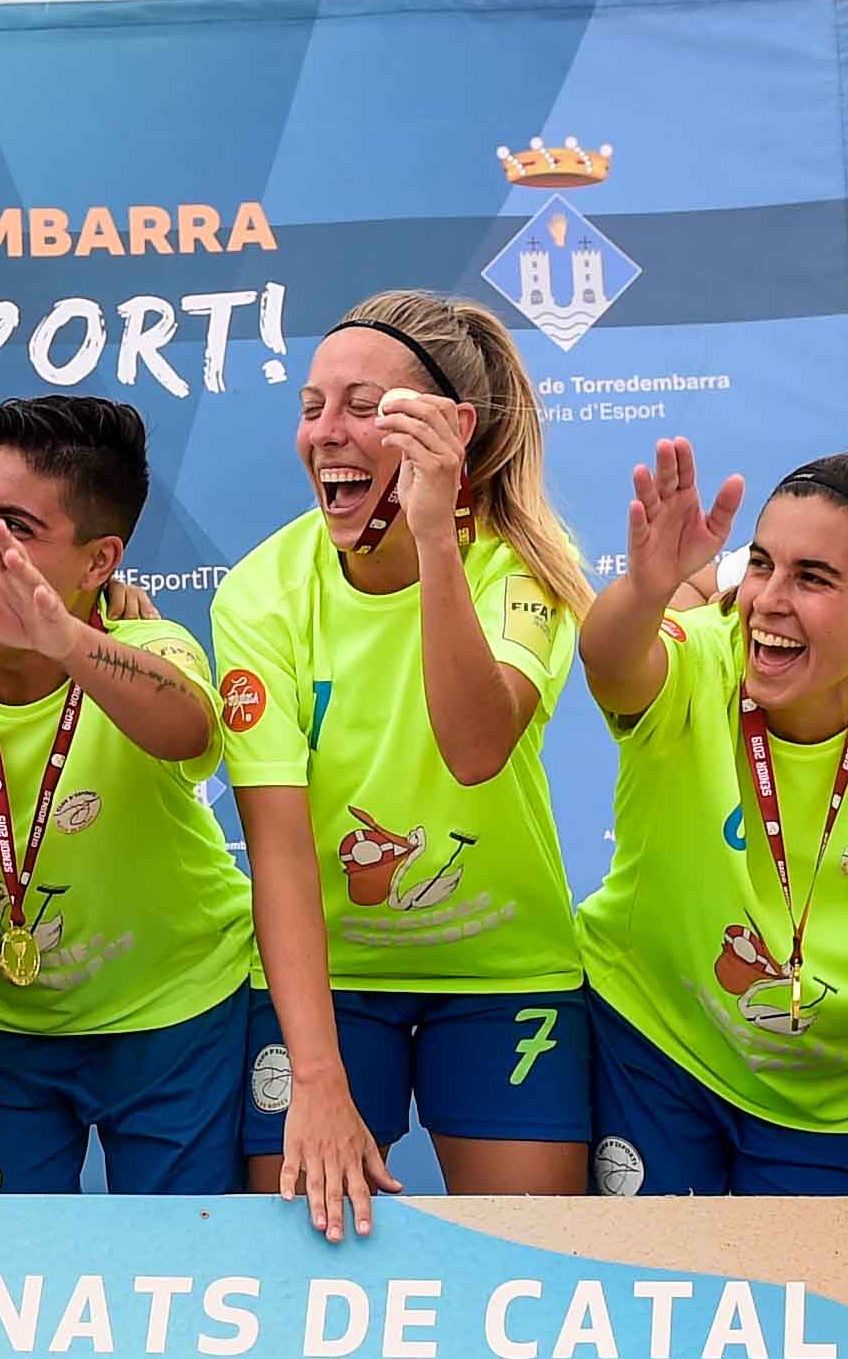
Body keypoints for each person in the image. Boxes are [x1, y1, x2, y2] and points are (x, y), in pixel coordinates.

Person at [215, 292, 598, 1236]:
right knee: (300, 1252)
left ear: (450, 430)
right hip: (328, 979)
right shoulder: (260, 592)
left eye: (363, 406)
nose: (326, 433)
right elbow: (282, 851)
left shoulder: (518, 567)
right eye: (311, 407)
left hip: (504, 968)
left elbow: (474, 750)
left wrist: (434, 534)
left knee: (534, 1262)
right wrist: (315, 1077)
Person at [571, 445, 848, 1196]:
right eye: (763, 565)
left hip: (827, 1101)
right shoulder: (706, 657)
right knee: (653, 1295)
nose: (769, 599)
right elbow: (611, 665)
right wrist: (648, 588)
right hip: (652, 1041)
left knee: (810, 1313)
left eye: (811, 578)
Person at [0, 396, 253, 1195]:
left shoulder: (145, 646)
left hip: (176, 1012)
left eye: (12, 526)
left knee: (178, 1271)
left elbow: (186, 724)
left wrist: (61, 639)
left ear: (97, 562)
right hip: (2, 1031)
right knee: (3, 1278)